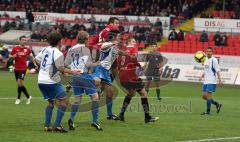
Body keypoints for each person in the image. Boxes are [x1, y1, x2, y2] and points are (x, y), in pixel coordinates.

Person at [34, 32, 82, 132]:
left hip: (41, 80)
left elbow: (36, 59)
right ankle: (57, 125)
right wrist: (73, 71)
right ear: (60, 41)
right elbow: (61, 68)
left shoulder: (45, 49)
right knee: (64, 100)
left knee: (51, 102)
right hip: (51, 81)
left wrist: (45, 68)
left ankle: (47, 126)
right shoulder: (58, 53)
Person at [65, 31, 102, 131]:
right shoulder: (85, 49)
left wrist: (74, 69)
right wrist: (98, 63)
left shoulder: (71, 49)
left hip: (75, 77)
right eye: (88, 38)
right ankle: (95, 121)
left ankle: (71, 119)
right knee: (95, 98)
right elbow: (88, 64)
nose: (89, 40)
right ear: (85, 39)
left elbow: (66, 63)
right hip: (84, 75)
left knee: (77, 99)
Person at [116, 37, 159, 123]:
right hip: (130, 76)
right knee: (144, 93)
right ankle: (147, 117)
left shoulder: (121, 50)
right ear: (129, 42)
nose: (135, 43)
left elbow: (120, 63)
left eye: (135, 41)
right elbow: (134, 58)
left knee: (131, 93)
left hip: (122, 76)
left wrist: (137, 65)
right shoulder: (133, 48)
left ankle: (121, 115)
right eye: (133, 41)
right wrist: (138, 65)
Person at [10, 36, 36, 105]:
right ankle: (28, 97)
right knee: (20, 84)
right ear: (19, 40)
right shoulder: (15, 48)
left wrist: (35, 64)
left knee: (19, 82)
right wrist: (13, 56)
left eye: (25, 40)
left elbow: (32, 57)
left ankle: (18, 98)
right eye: (23, 40)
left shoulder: (27, 49)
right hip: (16, 69)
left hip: (23, 68)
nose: (24, 41)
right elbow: (10, 56)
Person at [199, 47, 223, 115]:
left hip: (212, 80)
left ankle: (208, 112)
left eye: (210, 51)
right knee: (204, 96)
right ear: (206, 52)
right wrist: (201, 76)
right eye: (207, 51)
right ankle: (217, 104)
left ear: (212, 52)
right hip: (206, 81)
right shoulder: (205, 59)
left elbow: (217, 70)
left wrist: (220, 80)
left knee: (208, 96)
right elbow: (206, 70)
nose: (208, 52)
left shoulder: (214, 60)